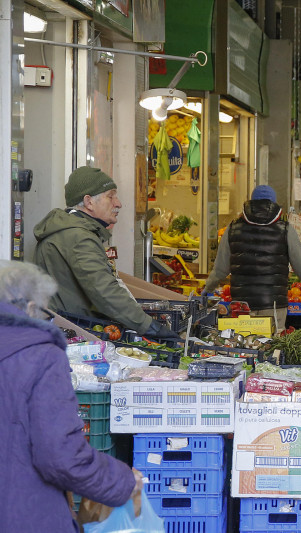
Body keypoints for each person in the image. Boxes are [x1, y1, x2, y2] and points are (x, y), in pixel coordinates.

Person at [0, 260, 144, 531]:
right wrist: (123, 480)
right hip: (24, 515)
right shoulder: (40, 355)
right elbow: (61, 456)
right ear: (31, 308)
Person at [33, 166, 180, 341]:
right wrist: (151, 327)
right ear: (89, 202)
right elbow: (104, 290)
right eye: (110, 196)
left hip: (66, 327)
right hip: (70, 333)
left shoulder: (75, 231)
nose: (118, 203)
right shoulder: (79, 237)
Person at [204, 185, 301, 331]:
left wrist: (207, 289)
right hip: (273, 307)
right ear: (273, 203)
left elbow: (220, 270)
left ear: (251, 202)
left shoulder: (233, 228)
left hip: (242, 307)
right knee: (272, 349)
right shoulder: (285, 229)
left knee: (244, 347)